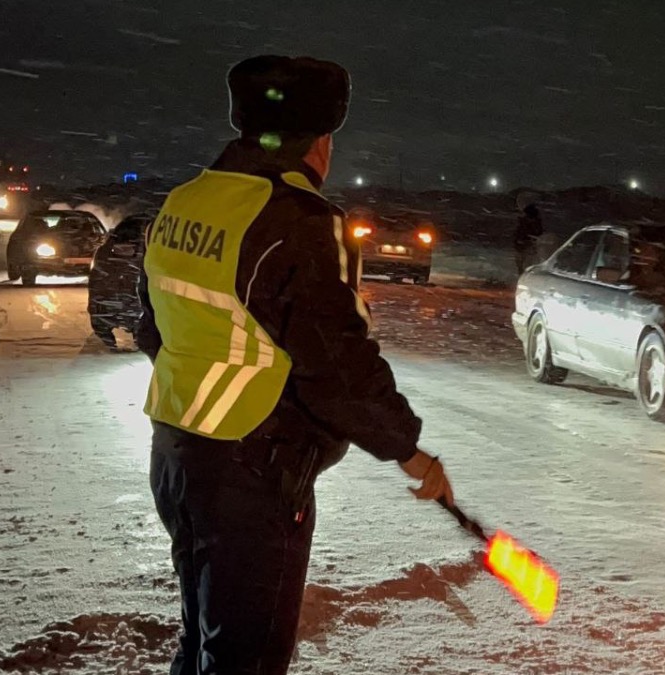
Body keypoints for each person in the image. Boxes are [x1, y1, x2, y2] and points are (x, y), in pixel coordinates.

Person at [135, 54, 455, 675]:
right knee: (246, 659)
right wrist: (408, 451)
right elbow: (335, 363)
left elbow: (153, 326)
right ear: (322, 143)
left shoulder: (186, 201)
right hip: (253, 471)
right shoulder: (297, 220)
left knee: (202, 641)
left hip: (175, 455)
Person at [514, 203, 543, 275]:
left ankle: (522, 274)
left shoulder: (524, 222)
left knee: (523, 262)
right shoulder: (533, 223)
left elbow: (519, 233)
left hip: (525, 245)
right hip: (526, 245)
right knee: (525, 262)